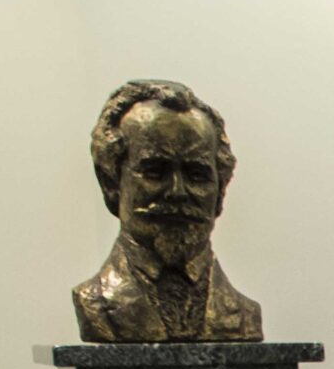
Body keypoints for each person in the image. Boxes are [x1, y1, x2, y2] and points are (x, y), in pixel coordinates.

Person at [73, 80, 264, 343]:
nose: (177, 192)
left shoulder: (243, 314)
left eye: (197, 175)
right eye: (155, 172)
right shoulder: (96, 302)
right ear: (111, 183)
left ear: (220, 190)